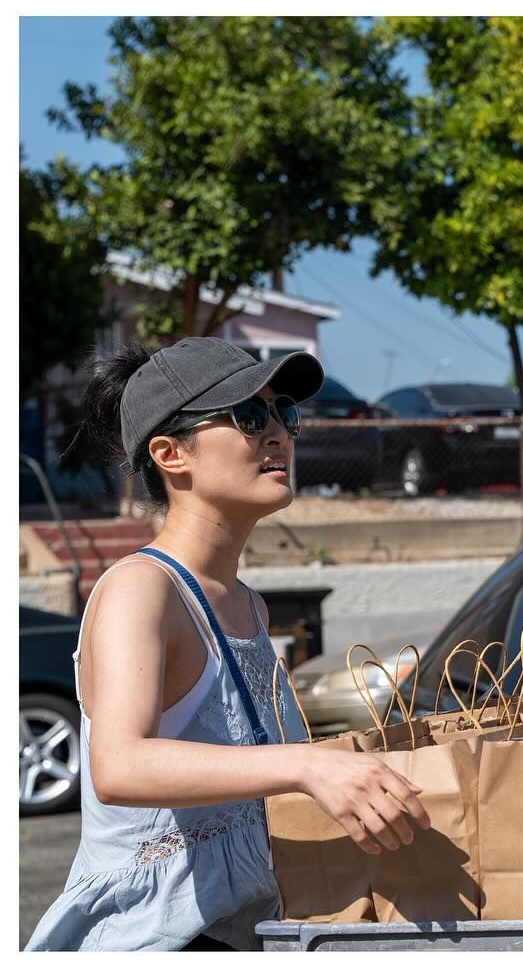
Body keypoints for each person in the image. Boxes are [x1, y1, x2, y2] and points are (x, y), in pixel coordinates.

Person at [27, 338, 432, 951]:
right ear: (169, 454)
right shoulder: (144, 589)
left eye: (284, 414)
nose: (278, 434)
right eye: (249, 415)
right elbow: (118, 764)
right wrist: (307, 765)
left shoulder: (248, 603)